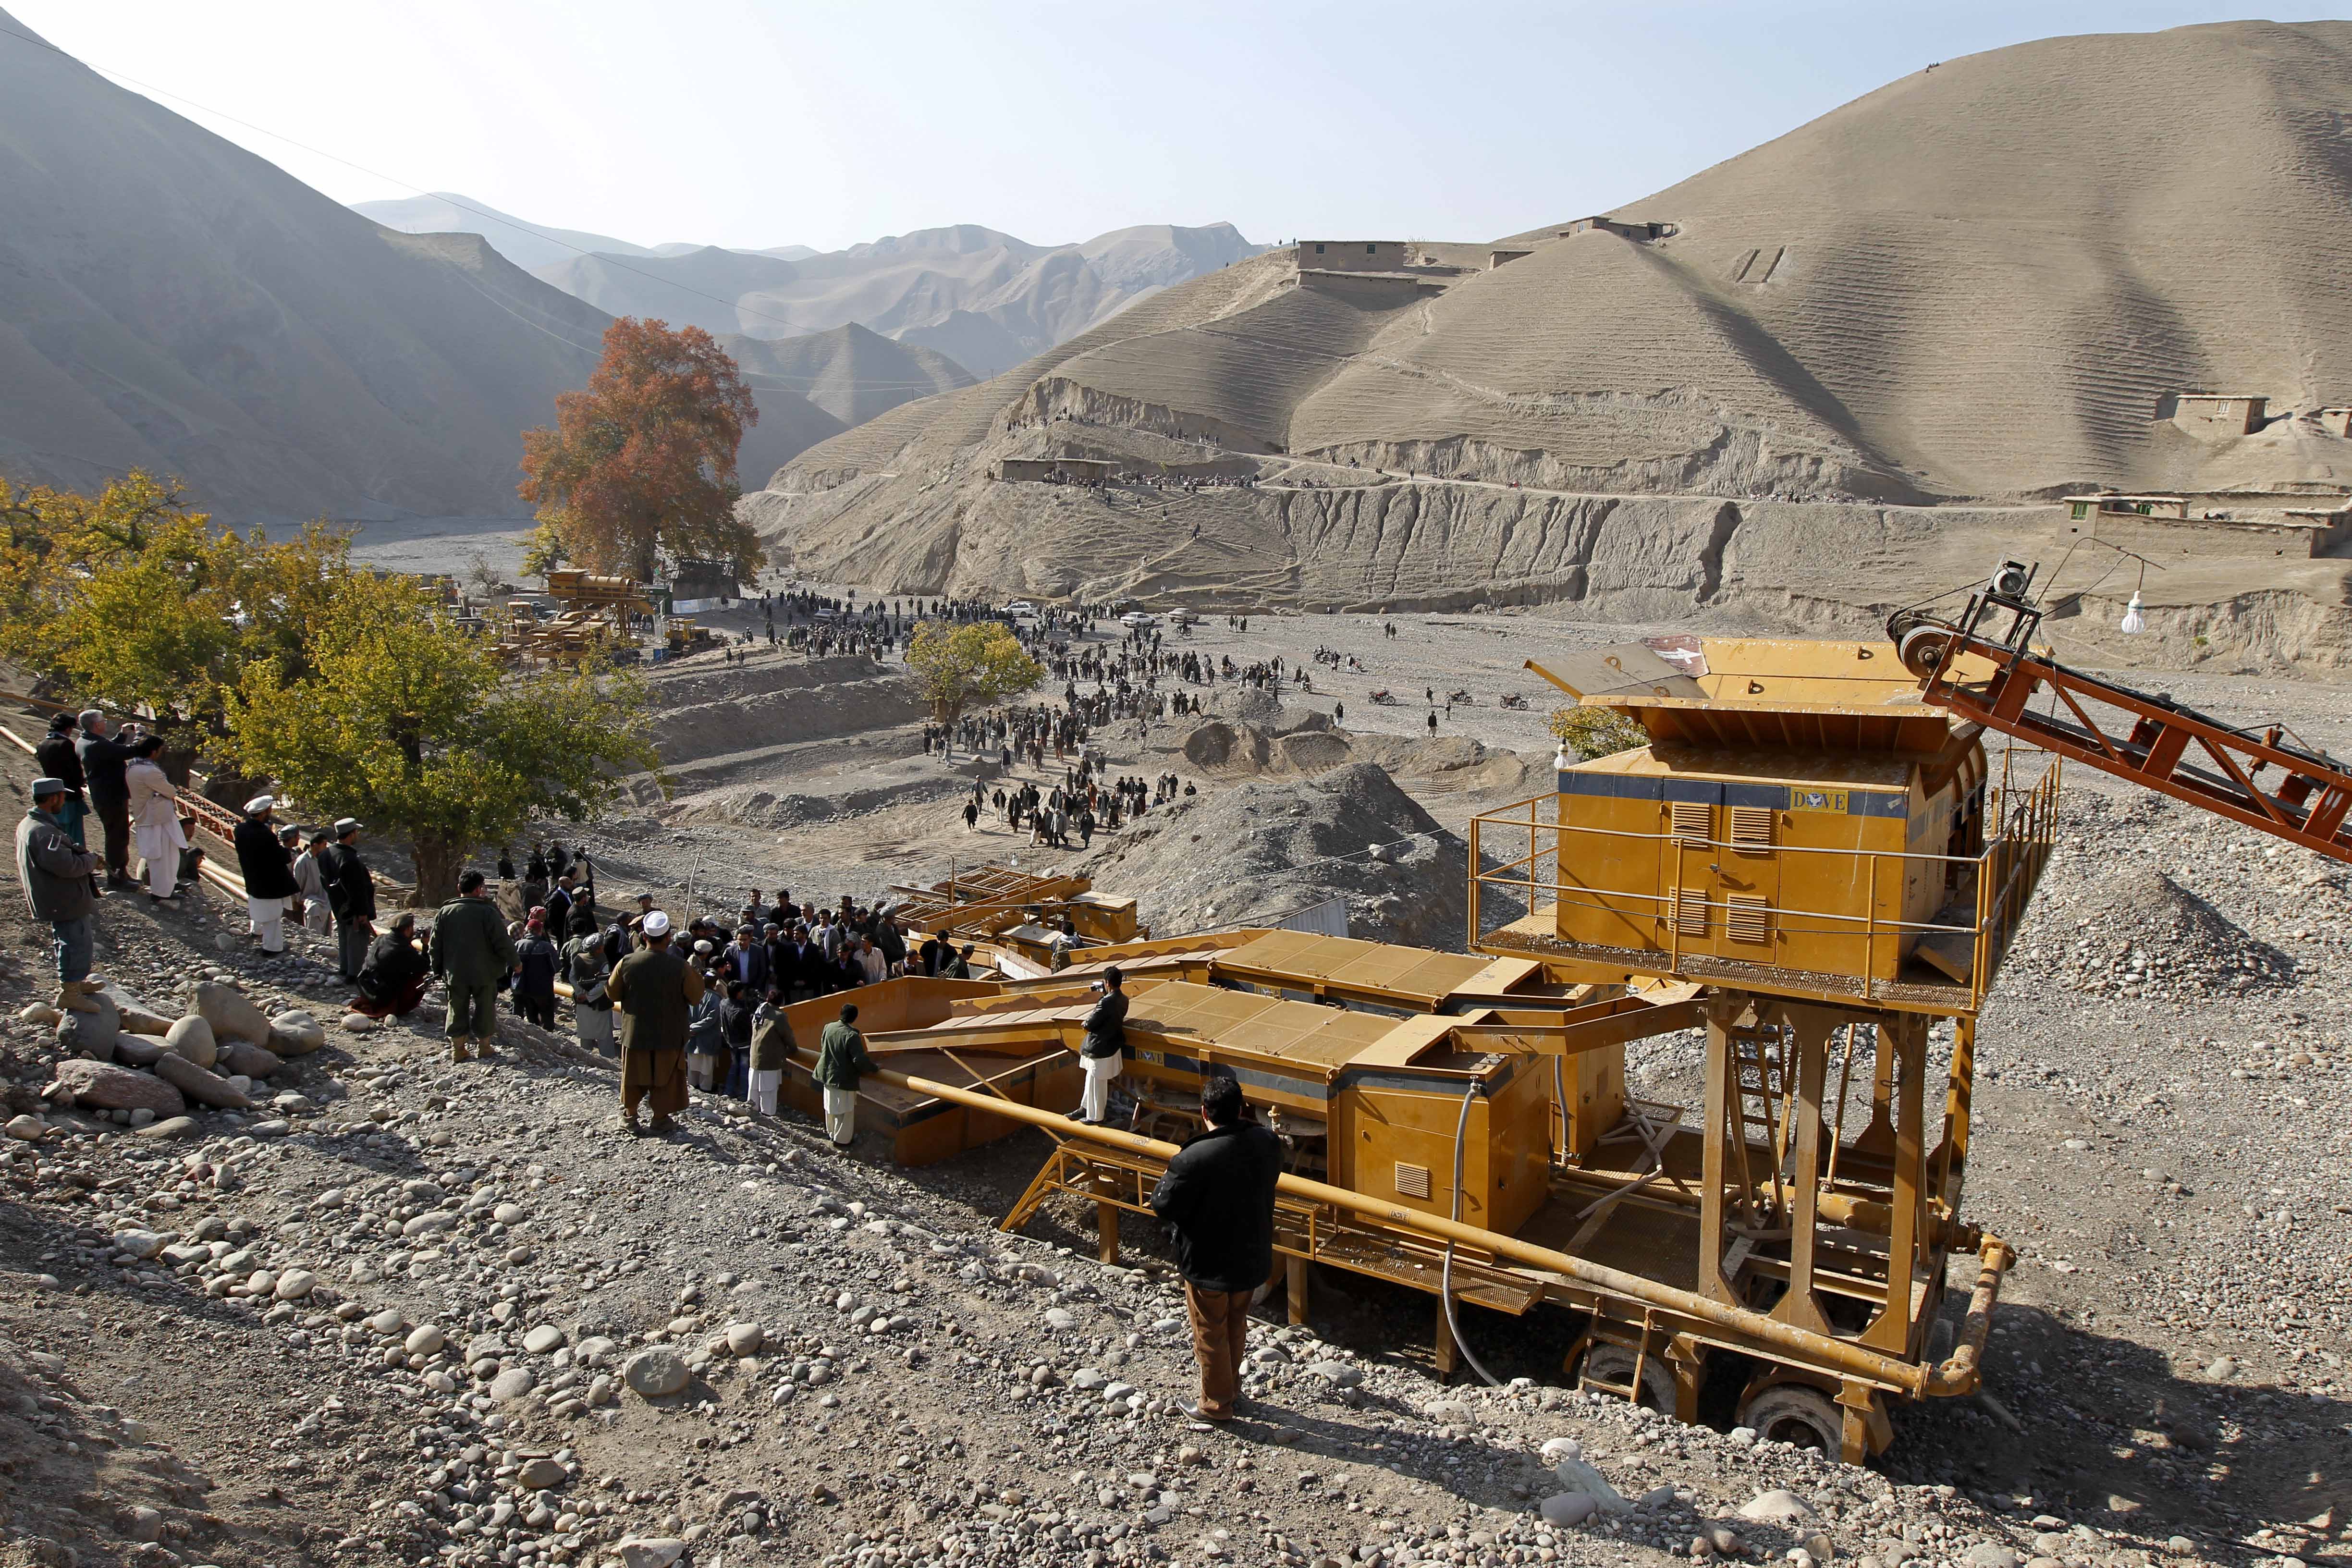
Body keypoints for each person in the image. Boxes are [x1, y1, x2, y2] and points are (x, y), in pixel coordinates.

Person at [1148, 1074, 1283, 1423]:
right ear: (1241, 1109)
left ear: (1204, 1111)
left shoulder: (1193, 1157)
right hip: (1251, 1255)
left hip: (1208, 1262)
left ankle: (1216, 1405)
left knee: (1210, 1331)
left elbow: (1163, 1205)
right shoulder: (1267, 1142)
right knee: (1236, 1324)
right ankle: (1231, 1389)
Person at [606, 909, 702, 1135]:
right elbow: (696, 996)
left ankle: (630, 1118)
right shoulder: (680, 966)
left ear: (644, 936)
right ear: (668, 937)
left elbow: (612, 992)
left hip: (636, 1033)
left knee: (633, 1077)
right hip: (669, 1034)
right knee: (666, 1078)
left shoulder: (627, 962)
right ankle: (660, 1119)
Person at [16, 778, 104, 1015]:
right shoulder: (44, 832)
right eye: (62, 797)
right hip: (63, 898)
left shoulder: (32, 824)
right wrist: (91, 860)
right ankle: (70, 993)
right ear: (53, 798)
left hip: (55, 896)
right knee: (76, 941)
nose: (64, 802)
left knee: (68, 939)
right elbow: (68, 866)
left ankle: (74, 983)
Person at [432, 868, 518, 1063]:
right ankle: (484, 1047)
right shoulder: (487, 912)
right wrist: (516, 963)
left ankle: (458, 1049)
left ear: (459, 887)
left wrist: (437, 969)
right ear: (479, 889)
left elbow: (435, 945)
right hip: (484, 973)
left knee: (456, 1008)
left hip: (455, 972)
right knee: (485, 1008)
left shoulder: (445, 912)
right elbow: (502, 942)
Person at [123, 735, 186, 906]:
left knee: (163, 856)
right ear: (153, 752)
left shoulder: (133, 767)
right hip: (157, 818)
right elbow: (171, 792)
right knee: (163, 856)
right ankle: (162, 893)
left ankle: (167, 887)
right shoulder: (150, 771)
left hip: (150, 816)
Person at [75, 710, 134, 890]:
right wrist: (140, 736)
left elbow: (110, 750)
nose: (106, 722)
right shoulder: (97, 745)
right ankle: (117, 879)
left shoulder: (84, 741)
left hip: (104, 795)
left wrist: (122, 735)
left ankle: (121, 874)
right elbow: (128, 752)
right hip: (112, 797)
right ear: (97, 725)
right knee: (118, 838)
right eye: (104, 720)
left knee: (117, 836)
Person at [234, 795, 298, 952]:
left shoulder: (240, 829)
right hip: (269, 882)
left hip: (252, 878)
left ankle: (256, 931)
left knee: (257, 908)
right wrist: (289, 853)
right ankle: (272, 948)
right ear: (264, 813)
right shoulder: (265, 834)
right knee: (273, 917)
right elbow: (278, 856)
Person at [812, 1002, 878, 1149]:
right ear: (854, 1018)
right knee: (846, 1111)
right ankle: (842, 1140)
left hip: (827, 1074)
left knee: (830, 1107)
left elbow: (824, 1047)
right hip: (843, 1078)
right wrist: (874, 1069)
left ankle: (831, 1133)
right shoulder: (852, 1035)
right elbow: (859, 1060)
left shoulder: (829, 1027)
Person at [1073, 966, 1128, 1125]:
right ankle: (1085, 1107)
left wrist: (1085, 1023)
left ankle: (1095, 1116)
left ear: (1107, 983)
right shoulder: (1124, 999)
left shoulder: (1105, 1002)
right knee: (1092, 1078)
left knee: (1097, 1083)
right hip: (1111, 1045)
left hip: (1100, 1047)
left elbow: (1090, 1024)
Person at [326, 819, 377, 980]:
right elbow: (357, 889)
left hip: (339, 907)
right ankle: (354, 975)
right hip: (354, 909)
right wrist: (362, 912)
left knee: (344, 939)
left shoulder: (327, 854)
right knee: (357, 943)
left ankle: (345, 969)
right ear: (352, 834)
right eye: (356, 832)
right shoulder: (349, 859)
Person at [354, 912, 431, 1019]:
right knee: (420, 977)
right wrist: (425, 946)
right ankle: (401, 1007)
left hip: (367, 988)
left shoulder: (381, 939)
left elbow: (394, 947)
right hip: (382, 997)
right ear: (408, 929)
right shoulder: (404, 950)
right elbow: (425, 966)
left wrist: (409, 940)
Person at [563, 915, 616, 1057]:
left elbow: (572, 978)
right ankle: (607, 1061)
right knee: (604, 1037)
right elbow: (603, 984)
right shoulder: (603, 961)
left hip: (582, 1004)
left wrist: (580, 994)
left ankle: (585, 1058)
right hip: (599, 1004)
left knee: (585, 1035)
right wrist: (588, 996)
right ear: (598, 949)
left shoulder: (578, 958)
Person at [33, 713, 85, 849]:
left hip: (52, 793)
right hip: (70, 794)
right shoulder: (66, 745)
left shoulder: (42, 745)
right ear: (68, 729)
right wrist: (81, 781)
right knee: (74, 834)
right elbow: (75, 771)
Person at [747, 986, 795, 1115]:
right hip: (770, 1060)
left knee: (754, 1089)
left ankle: (752, 1113)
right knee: (768, 1092)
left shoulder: (760, 1010)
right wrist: (793, 1050)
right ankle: (767, 1116)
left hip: (755, 1056)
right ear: (782, 1002)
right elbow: (788, 1037)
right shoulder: (780, 1016)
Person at [513, 910, 560, 1029]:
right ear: (540, 931)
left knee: (532, 1020)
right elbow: (556, 967)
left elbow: (511, 967)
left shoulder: (518, 945)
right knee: (547, 1020)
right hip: (543, 989)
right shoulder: (547, 947)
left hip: (524, 989)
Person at [719, 978, 756, 1099]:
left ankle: (728, 1091)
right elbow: (748, 1027)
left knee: (734, 1066)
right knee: (744, 1068)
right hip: (743, 1043)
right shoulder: (739, 1012)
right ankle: (743, 1095)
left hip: (730, 1041)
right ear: (738, 993)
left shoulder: (723, 1003)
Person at [292, 831, 335, 934]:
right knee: (314, 933)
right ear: (316, 845)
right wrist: (297, 901)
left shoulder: (323, 860)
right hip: (311, 902)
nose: (326, 847)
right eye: (324, 844)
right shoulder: (303, 861)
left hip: (325, 900)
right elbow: (298, 883)